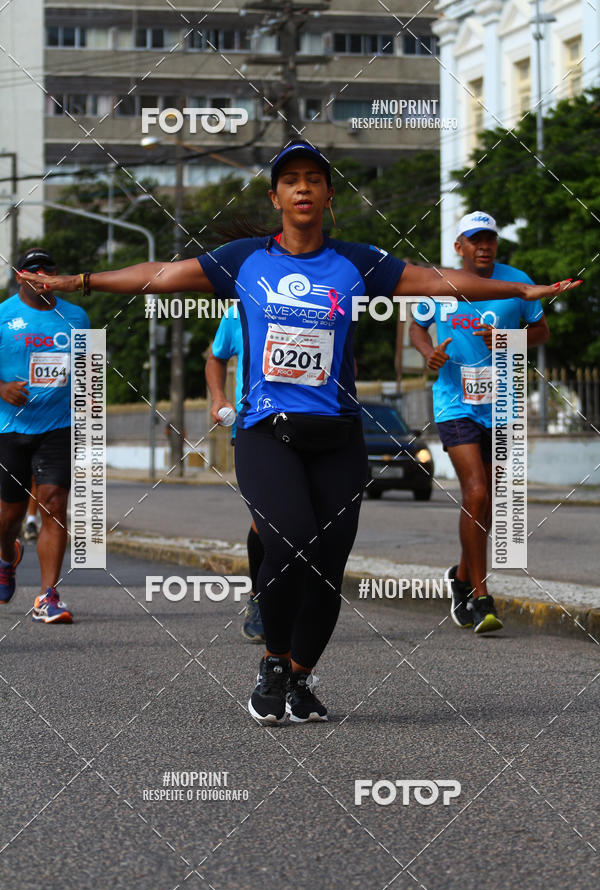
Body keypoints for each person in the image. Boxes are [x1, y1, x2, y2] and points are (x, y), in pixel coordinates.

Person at [20, 144, 578, 721]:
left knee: (329, 565)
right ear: (277, 197)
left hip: (338, 435)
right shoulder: (244, 260)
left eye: (315, 179)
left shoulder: (357, 263)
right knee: (289, 543)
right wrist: (79, 278)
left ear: (328, 196)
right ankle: (275, 660)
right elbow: (159, 276)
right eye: (291, 181)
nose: (303, 188)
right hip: (267, 432)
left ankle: (302, 677)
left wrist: (520, 291)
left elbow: (439, 282)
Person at [410, 211, 551, 634]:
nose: (484, 246)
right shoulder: (440, 283)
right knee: (475, 491)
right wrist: (428, 352)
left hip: (504, 403)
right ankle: (482, 596)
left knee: (488, 502)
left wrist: (511, 339)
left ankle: (460, 577)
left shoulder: (516, 282)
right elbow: (416, 328)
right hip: (456, 403)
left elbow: (541, 332)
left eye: (489, 239)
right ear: (460, 247)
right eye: (475, 240)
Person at [0, 247, 90, 622]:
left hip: (59, 425)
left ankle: (48, 596)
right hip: (9, 427)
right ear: (21, 276)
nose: (40, 275)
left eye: (46, 270)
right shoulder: (3, 316)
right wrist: (2, 388)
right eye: (32, 270)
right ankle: (7, 557)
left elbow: (88, 371)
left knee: (54, 504)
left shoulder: (76, 316)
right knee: (8, 517)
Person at [205, 306, 265, 643]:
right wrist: (218, 397)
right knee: (265, 519)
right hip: (254, 429)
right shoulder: (239, 309)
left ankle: (296, 598)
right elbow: (216, 357)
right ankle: (260, 598)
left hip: (312, 427)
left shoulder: (318, 300)